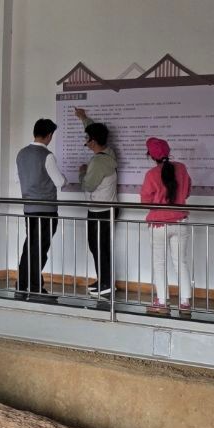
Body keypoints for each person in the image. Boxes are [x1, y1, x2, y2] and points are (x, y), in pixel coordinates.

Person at [140, 136, 193, 317]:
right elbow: (187, 191)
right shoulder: (182, 168)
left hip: (158, 225)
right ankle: (185, 303)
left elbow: (145, 201)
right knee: (181, 262)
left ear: (150, 155)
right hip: (180, 221)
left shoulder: (151, 174)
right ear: (168, 152)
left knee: (159, 263)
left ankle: (162, 302)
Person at [15, 118, 65, 299]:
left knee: (30, 247)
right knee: (39, 249)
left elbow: (18, 179)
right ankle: (35, 287)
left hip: (28, 208)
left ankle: (22, 285)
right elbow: (60, 181)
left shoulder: (21, 154)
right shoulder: (47, 155)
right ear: (49, 135)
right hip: (46, 210)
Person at [74, 107, 119, 298]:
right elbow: (95, 130)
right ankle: (104, 280)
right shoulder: (109, 152)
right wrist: (84, 118)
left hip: (99, 210)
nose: (86, 142)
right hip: (108, 208)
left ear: (92, 141)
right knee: (102, 246)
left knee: (98, 247)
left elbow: (88, 186)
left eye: (87, 139)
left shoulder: (98, 162)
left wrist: (82, 173)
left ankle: (106, 284)